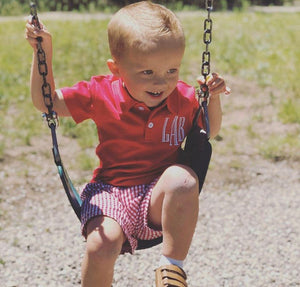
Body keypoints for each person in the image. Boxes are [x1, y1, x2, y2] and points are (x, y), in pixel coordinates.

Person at [26, 1, 230, 286]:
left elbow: (208, 130)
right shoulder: (100, 93)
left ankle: (171, 270)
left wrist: (213, 98)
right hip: (110, 192)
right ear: (116, 68)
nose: (161, 82)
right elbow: (46, 102)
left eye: (172, 70)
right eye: (147, 72)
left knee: (182, 179)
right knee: (101, 246)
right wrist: (41, 51)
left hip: (156, 198)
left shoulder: (183, 97)